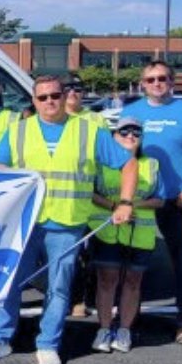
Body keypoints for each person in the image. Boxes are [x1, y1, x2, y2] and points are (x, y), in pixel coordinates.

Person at [0, 73, 137, 364]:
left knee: (59, 288)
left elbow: (128, 162)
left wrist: (126, 202)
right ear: (34, 101)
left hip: (67, 222)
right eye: (43, 97)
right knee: (10, 281)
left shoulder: (90, 131)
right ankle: (0, 337)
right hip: (24, 222)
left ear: (65, 97)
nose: (50, 101)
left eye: (55, 95)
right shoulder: (17, 131)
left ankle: (48, 345)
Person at [124, 61, 182, 346]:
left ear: (172, 81)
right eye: (150, 79)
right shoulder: (131, 112)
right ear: (142, 84)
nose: (157, 83)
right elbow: (122, 155)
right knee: (134, 264)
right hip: (142, 202)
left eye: (162, 78)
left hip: (178, 200)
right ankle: (128, 322)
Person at [87, 117, 164, 353]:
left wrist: (133, 205)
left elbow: (160, 199)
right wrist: (115, 206)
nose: (130, 136)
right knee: (106, 280)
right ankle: (103, 328)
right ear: (114, 136)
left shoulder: (151, 164)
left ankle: (124, 330)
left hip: (139, 233)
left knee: (133, 282)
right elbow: (89, 192)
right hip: (107, 231)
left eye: (136, 133)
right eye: (124, 132)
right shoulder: (101, 163)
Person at [62, 76, 104, 318]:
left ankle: (83, 299)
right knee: (69, 253)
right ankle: (69, 296)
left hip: (93, 192)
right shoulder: (56, 117)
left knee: (89, 253)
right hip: (66, 194)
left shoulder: (96, 119)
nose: (73, 93)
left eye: (78, 88)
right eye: (68, 88)